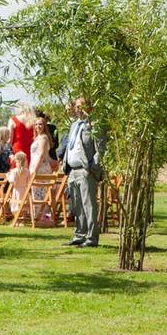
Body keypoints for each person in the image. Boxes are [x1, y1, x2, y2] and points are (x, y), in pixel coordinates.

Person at [62, 97, 105, 248]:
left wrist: (93, 168)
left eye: (81, 106)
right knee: (76, 205)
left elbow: (100, 149)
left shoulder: (95, 125)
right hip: (72, 170)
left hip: (86, 170)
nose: (78, 109)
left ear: (89, 107)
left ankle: (92, 238)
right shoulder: (74, 124)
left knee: (89, 205)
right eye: (77, 106)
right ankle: (79, 235)